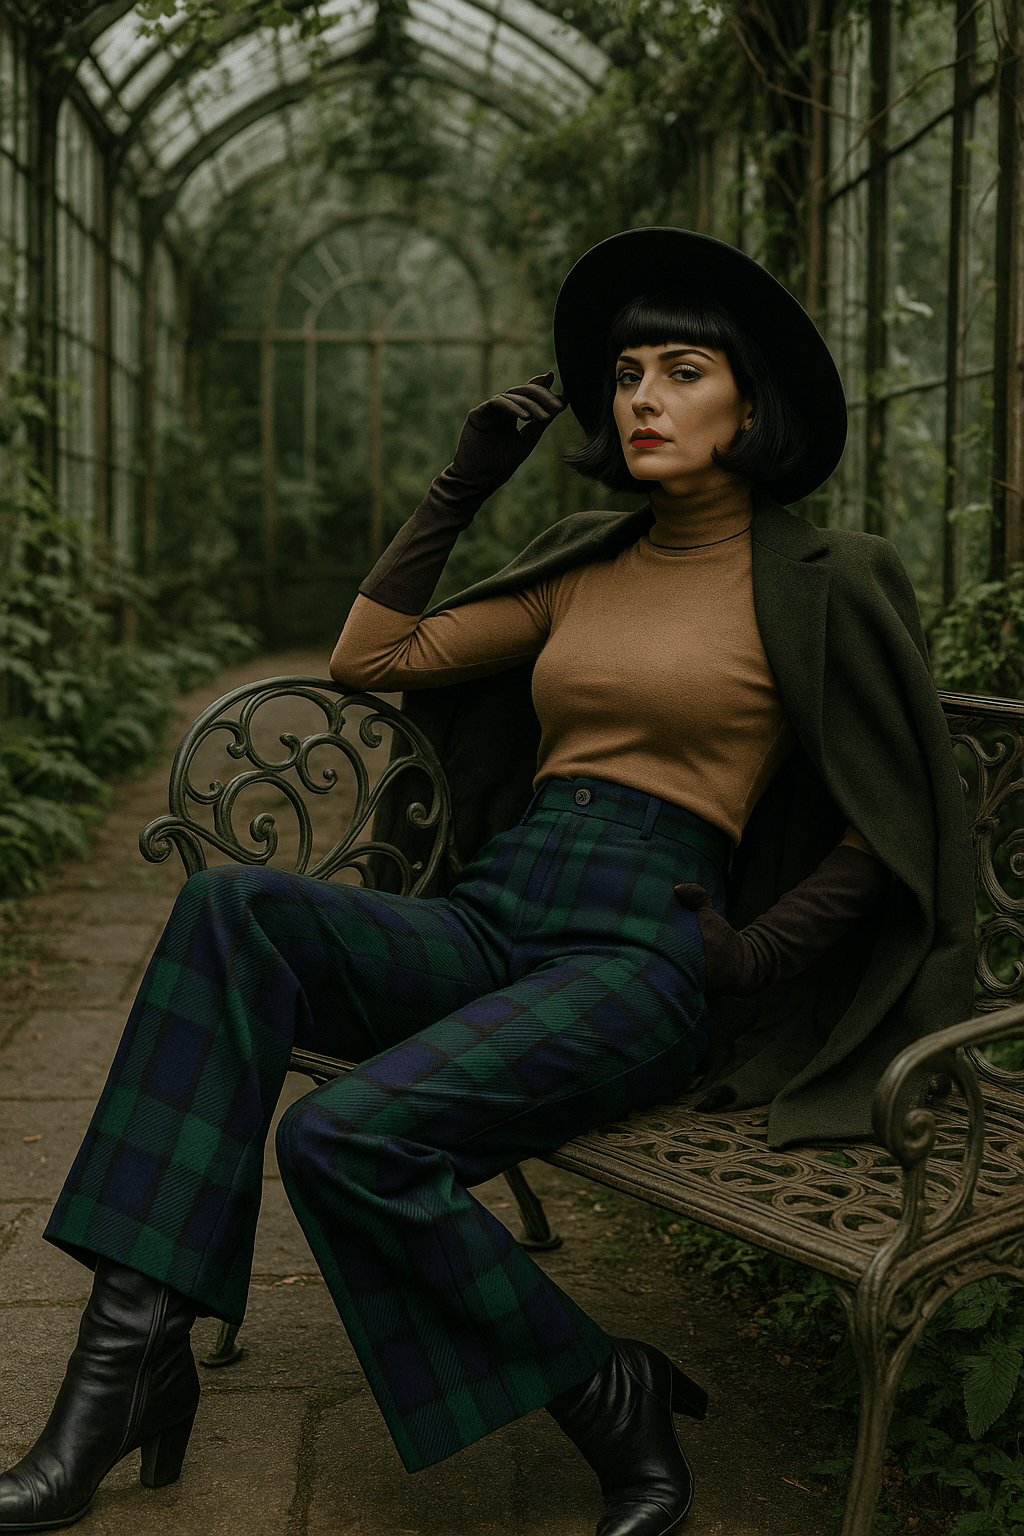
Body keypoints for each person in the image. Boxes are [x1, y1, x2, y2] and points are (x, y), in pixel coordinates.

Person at [0, 228, 974, 1536]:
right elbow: (370, 656)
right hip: (498, 912)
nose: (641, 398)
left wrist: (755, 954)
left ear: (754, 402)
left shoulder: (826, 575)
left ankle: (603, 1390)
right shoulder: (585, 559)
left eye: (682, 371)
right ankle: (122, 1368)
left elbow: (893, 818)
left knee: (341, 1138)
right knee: (232, 908)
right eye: (627, 373)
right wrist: (462, 484)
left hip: (642, 952)